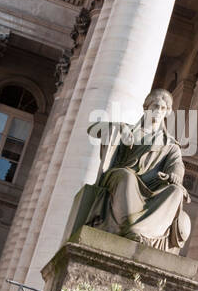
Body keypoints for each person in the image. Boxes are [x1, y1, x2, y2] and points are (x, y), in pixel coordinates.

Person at [73, 89, 191, 251]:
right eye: (155, 106)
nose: (158, 111)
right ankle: (130, 227)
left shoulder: (170, 144)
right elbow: (93, 130)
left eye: (163, 108)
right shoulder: (127, 130)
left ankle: (141, 231)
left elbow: (177, 165)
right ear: (146, 108)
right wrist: (118, 128)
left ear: (167, 113)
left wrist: (175, 176)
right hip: (121, 177)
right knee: (127, 176)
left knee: (176, 192)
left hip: (153, 186)